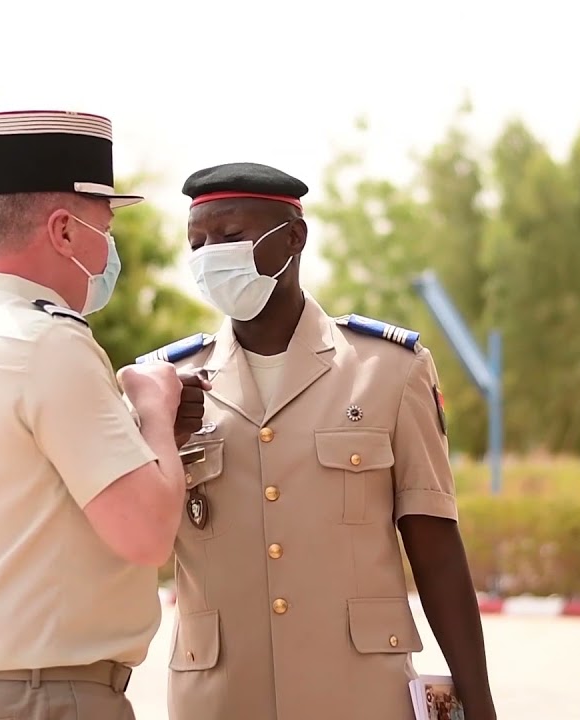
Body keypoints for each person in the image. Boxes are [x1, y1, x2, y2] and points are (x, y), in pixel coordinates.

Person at [136, 162, 499, 720]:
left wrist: (478, 700)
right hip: (221, 697)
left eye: (231, 237)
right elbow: (139, 538)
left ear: (294, 237)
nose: (211, 256)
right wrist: (158, 430)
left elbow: (435, 546)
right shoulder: (164, 386)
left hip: (357, 694)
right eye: (198, 242)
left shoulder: (388, 370)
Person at [0, 109, 195, 720]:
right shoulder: (52, 345)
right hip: (54, 700)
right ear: (63, 230)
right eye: (104, 227)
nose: (109, 249)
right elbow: (147, 533)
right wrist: (154, 406)